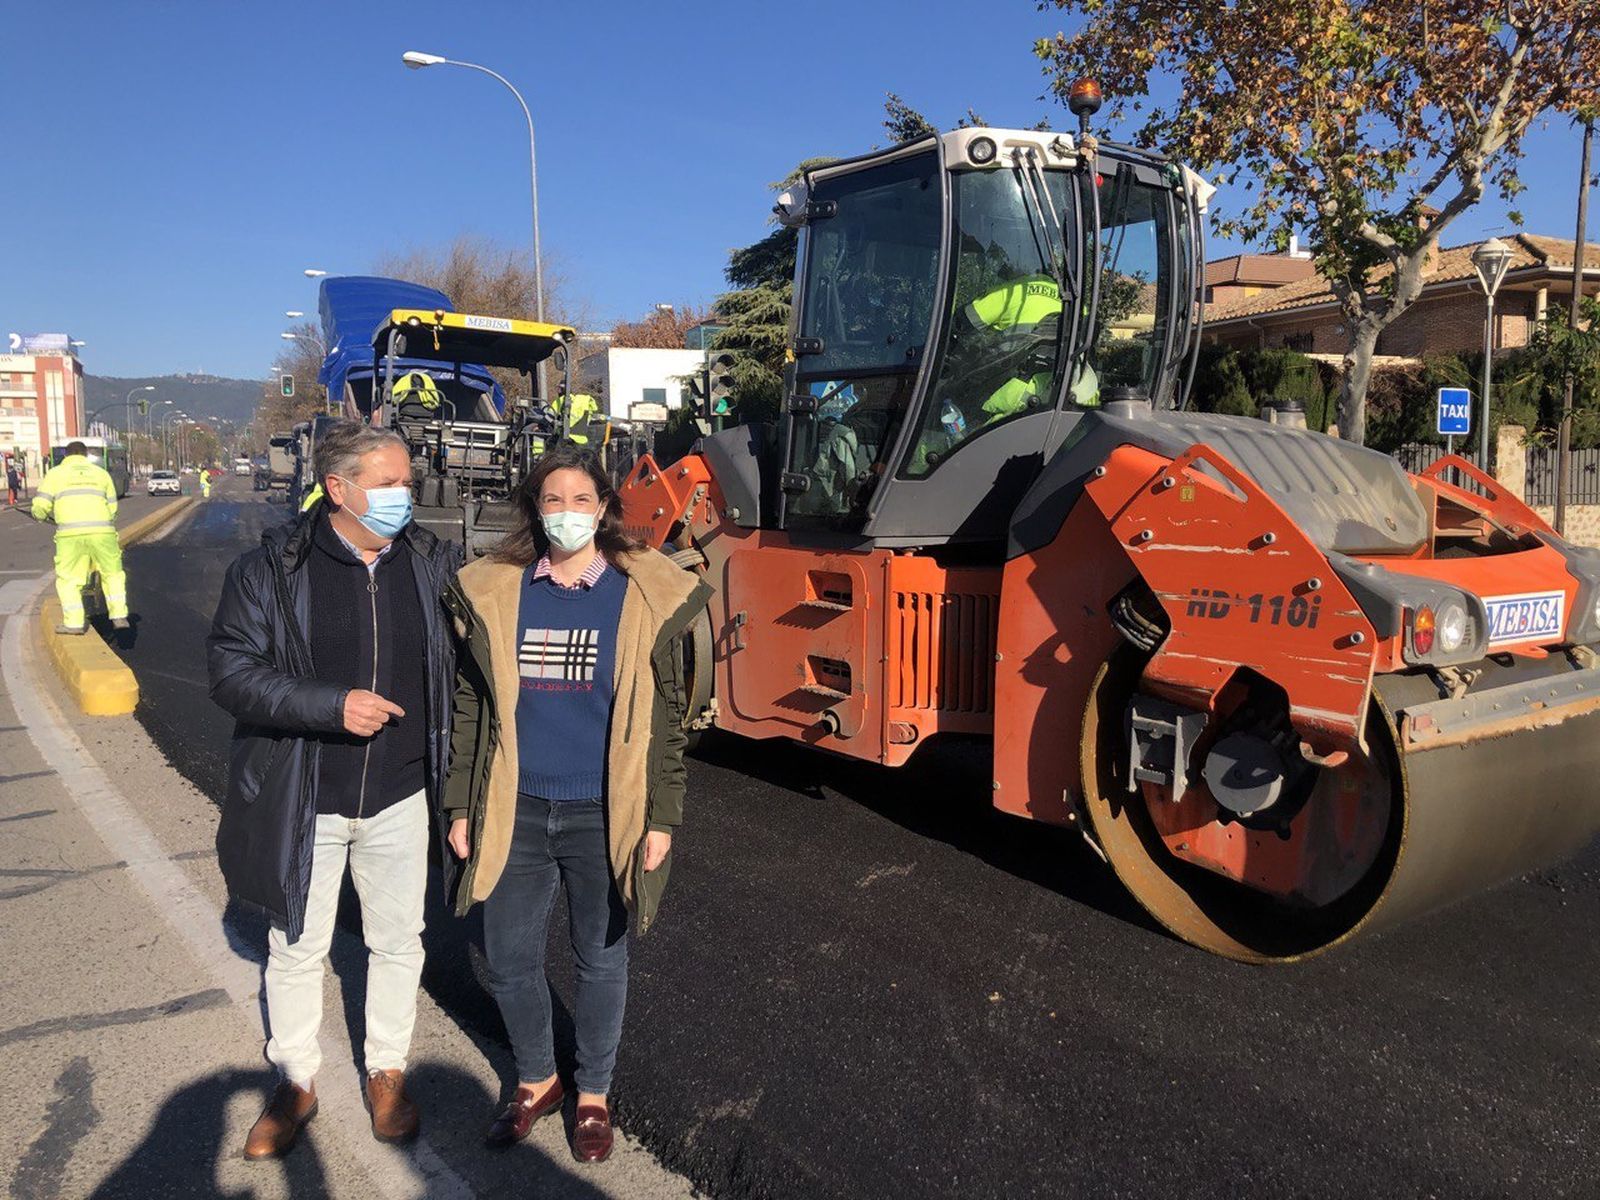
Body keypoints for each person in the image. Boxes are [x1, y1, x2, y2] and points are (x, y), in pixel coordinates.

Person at [442, 443, 709, 1164]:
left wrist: (661, 817)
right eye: (553, 500)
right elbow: (471, 710)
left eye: (581, 500)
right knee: (509, 959)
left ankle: (593, 1092)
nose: (567, 513)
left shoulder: (640, 595)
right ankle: (538, 1080)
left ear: (604, 508)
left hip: (603, 813)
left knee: (600, 960)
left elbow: (667, 724)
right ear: (535, 509)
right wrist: (462, 806)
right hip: (517, 810)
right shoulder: (498, 593)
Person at [206, 421, 461, 1161]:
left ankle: (387, 1071)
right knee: (295, 945)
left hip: (402, 795)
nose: (404, 495)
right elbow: (231, 673)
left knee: (399, 941)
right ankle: (295, 1081)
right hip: (307, 795)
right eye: (387, 483)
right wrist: (330, 705)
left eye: (407, 481)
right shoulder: (269, 570)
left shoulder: (431, 563)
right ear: (338, 488)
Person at [31, 441, 129, 634]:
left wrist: (39, 515)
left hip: (70, 535)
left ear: (66, 456)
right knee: (112, 573)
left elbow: (41, 505)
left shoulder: (55, 473)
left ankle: (74, 623)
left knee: (68, 579)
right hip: (102, 533)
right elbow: (112, 507)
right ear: (85, 455)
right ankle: (119, 615)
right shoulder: (101, 474)